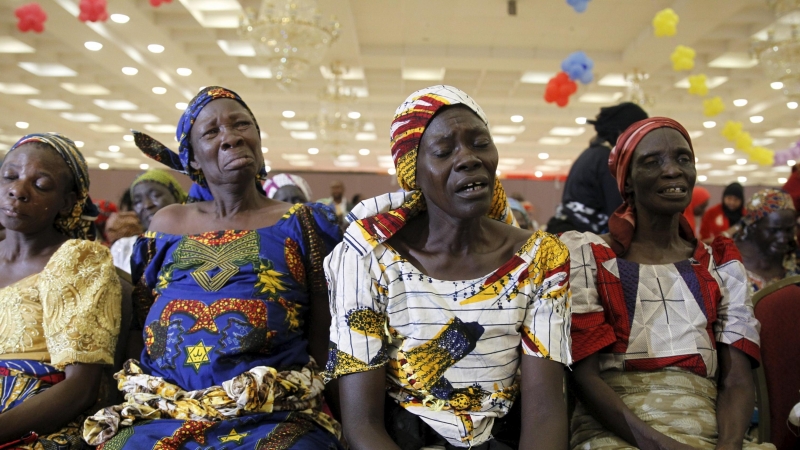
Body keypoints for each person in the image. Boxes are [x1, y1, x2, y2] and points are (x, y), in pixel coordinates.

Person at [83, 86, 344, 449]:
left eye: (242, 125)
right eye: (212, 132)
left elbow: (326, 328)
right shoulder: (165, 224)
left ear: (258, 139)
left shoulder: (303, 222)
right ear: (191, 159)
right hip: (162, 411)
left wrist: (340, 413)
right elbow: (142, 322)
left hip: (272, 412)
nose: (231, 137)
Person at [325, 85, 571, 450]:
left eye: (480, 143)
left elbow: (546, 413)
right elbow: (362, 425)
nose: (469, 158)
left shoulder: (541, 259)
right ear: (414, 174)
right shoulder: (367, 259)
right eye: (443, 151)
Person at [562, 117, 770, 450]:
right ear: (627, 183)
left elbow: (737, 381)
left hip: (712, 432)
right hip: (614, 432)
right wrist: (663, 446)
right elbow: (584, 378)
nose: (673, 170)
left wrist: (729, 447)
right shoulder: (588, 255)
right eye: (651, 162)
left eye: (683, 158)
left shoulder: (720, 264)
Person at [0, 133, 121, 449]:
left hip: (32, 421)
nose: (18, 190)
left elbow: (80, 388)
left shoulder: (77, 261)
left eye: (40, 185)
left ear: (67, 202)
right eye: (10, 176)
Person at [547, 102, 648, 234]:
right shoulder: (608, 159)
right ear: (622, 132)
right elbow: (619, 212)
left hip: (567, 231)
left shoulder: (593, 154)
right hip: (579, 238)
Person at [109, 169, 187, 273]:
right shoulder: (124, 248)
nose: (147, 205)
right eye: (138, 201)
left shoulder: (196, 243)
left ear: (177, 197)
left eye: (155, 196)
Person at [735, 189, 798, 294]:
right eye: (773, 230)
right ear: (753, 227)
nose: (783, 239)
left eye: (789, 230)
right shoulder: (726, 264)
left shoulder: (792, 258)